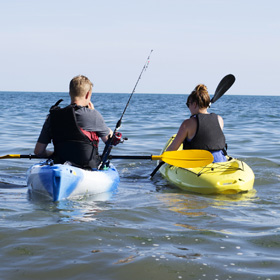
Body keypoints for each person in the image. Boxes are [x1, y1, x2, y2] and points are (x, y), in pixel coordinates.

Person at [34, 75, 116, 169]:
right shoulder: (94, 115)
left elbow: (38, 151)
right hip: (87, 168)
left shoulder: (52, 116)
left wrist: (53, 154)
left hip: (60, 164)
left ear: (70, 93)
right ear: (88, 94)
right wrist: (94, 114)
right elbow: (110, 141)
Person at [166, 84, 227, 162]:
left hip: (196, 163)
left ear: (194, 104)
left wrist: (161, 161)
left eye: (188, 104)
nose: (188, 108)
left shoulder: (187, 124)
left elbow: (172, 148)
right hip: (220, 161)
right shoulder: (219, 119)